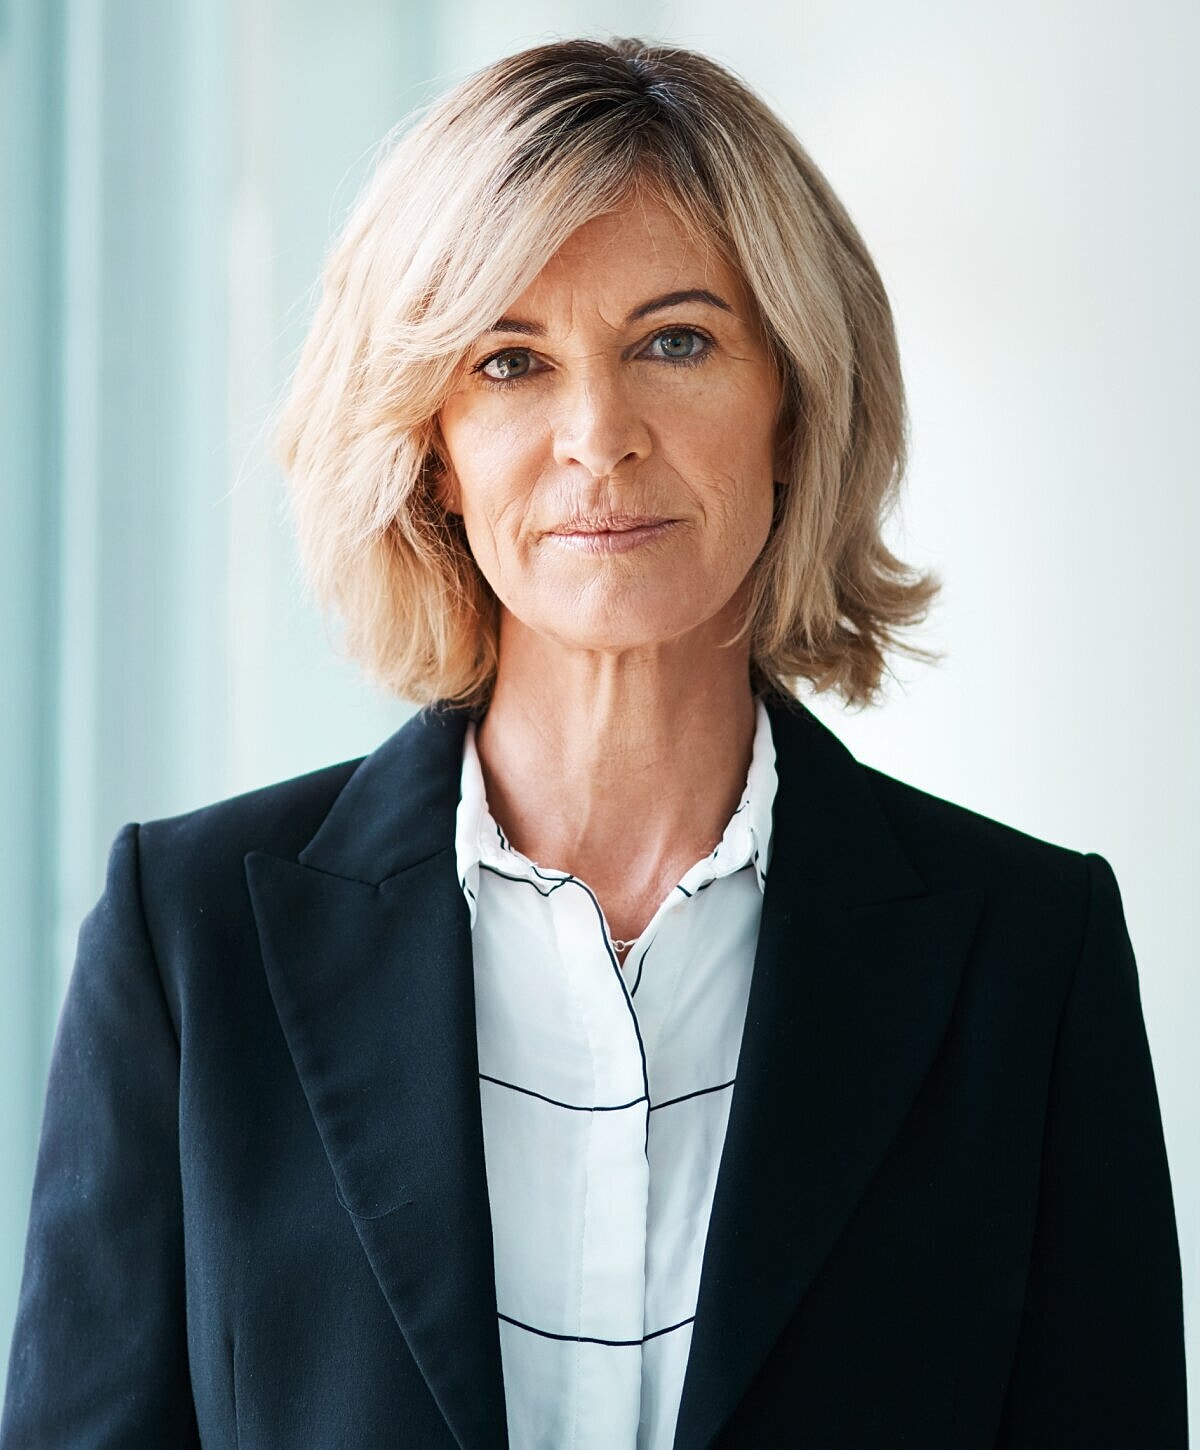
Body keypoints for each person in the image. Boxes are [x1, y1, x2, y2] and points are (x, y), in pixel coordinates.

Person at [1, 35, 1187, 1450]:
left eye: (674, 341)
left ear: (795, 400)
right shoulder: (188, 940)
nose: (597, 434)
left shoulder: (1029, 956)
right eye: (511, 361)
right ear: (432, 447)